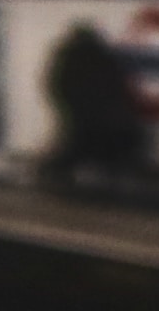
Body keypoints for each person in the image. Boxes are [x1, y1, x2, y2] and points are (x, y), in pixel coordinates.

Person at [36, 18, 145, 189]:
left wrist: (66, 104)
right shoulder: (103, 55)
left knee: (74, 143)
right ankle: (106, 174)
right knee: (89, 143)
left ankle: (55, 173)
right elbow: (115, 84)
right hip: (99, 109)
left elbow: (55, 83)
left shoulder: (67, 54)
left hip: (77, 108)